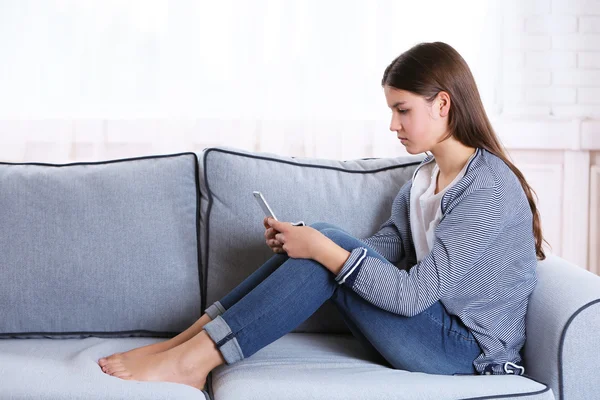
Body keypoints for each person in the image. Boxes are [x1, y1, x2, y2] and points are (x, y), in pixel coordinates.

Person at [97, 41, 545, 391]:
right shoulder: (425, 178)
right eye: (392, 111)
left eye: (402, 110)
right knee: (323, 238)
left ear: (443, 104)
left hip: (466, 352)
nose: (393, 125)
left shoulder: (486, 188)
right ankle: (185, 345)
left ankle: (191, 361)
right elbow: (386, 245)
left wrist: (325, 251)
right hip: (432, 333)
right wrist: (307, 242)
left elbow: (411, 297)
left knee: (327, 246)